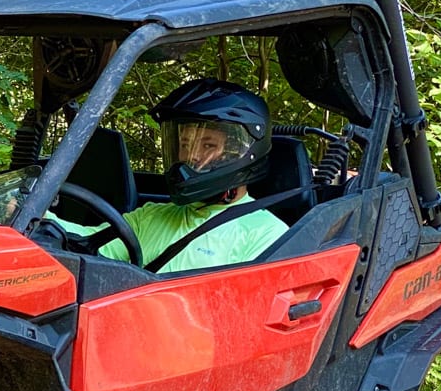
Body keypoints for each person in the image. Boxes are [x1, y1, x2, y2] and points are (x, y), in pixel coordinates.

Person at [58, 78, 285, 272]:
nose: (191, 156)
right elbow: (82, 243)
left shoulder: (267, 235)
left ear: (240, 153)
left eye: (208, 146)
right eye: (185, 144)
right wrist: (31, 213)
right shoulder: (151, 216)